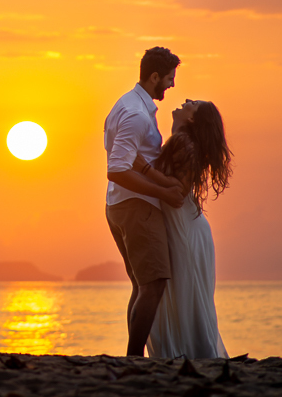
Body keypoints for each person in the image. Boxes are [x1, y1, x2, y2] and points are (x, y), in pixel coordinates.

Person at [103, 46, 187, 357]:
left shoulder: (126, 105)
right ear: (154, 77)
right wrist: (163, 192)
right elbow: (117, 169)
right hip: (136, 206)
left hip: (121, 205)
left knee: (141, 285)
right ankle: (134, 356)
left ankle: (133, 356)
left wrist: (160, 180)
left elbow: (128, 157)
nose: (172, 85)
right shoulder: (136, 115)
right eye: (169, 78)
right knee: (153, 283)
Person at [134, 100, 233, 359]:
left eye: (194, 104)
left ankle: (191, 352)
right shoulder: (181, 141)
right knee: (185, 293)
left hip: (185, 228)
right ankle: (190, 352)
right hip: (186, 225)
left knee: (185, 293)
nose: (187, 101)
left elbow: (178, 190)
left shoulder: (183, 142)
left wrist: (142, 167)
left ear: (192, 119)